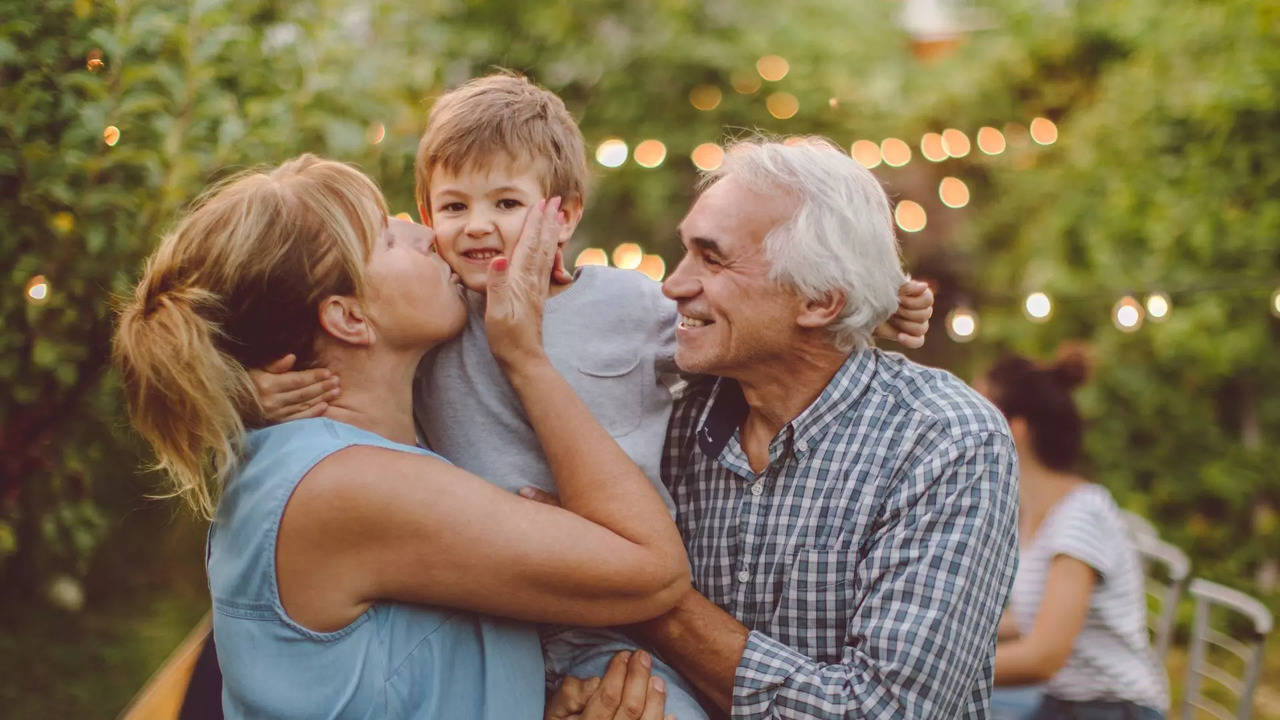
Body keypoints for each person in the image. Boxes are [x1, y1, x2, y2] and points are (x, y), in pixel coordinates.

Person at [252, 73, 935, 719]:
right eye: (454, 207)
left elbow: (744, 324)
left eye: (507, 204)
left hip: (619, 623)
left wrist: (868, 302)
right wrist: (256, 391)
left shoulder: (628, 306)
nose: (478, 227)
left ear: (564, 217)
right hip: (497, 606)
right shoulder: (439, 314)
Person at [112, 154, 691, 719]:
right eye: (387, 239)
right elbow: (653, 571)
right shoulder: (345, 485)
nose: (425, 235)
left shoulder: (315, 461)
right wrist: (523, 356)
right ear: (349, 319)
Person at [622, 137, 1021, 719]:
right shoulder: (668, 407)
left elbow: (882, 713)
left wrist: (640, 589)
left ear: (819, 300)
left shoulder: (945, 441)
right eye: (685, 252)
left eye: (712, 259)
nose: (673, 286)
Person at [981, 351, 1168, 720]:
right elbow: (1032, 616)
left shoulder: (1080, 516)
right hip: (1065, 702)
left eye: (975, 409)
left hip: (1113, 709)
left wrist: (934, 668)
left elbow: (1043, 657)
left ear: (1014, 429)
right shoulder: (1034, 512)